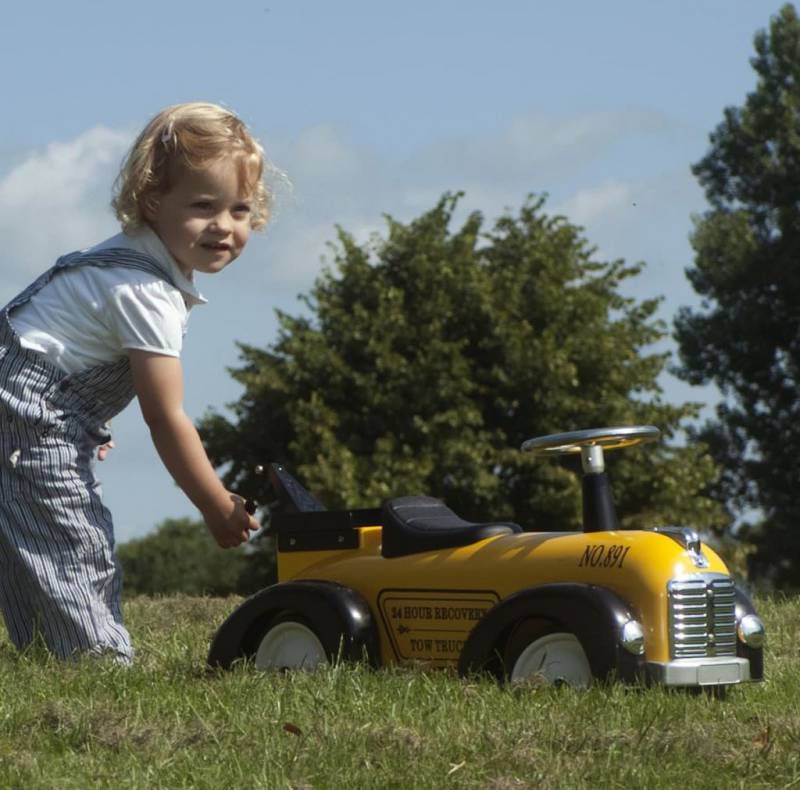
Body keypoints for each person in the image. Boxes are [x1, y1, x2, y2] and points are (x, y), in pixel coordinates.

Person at [0, 102, 268, 662]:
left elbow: (61, 345)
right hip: (27, 416)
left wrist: (80, 419)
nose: (224, 226)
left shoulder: (123, 262)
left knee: (29, 534)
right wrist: (215, 504)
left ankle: (47, 653)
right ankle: (94, 660)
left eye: (240, 209)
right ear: (152, 202)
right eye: (203, 206)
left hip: (27, 405)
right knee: (71, 540)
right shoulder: (146, 291)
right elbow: (166, 417)